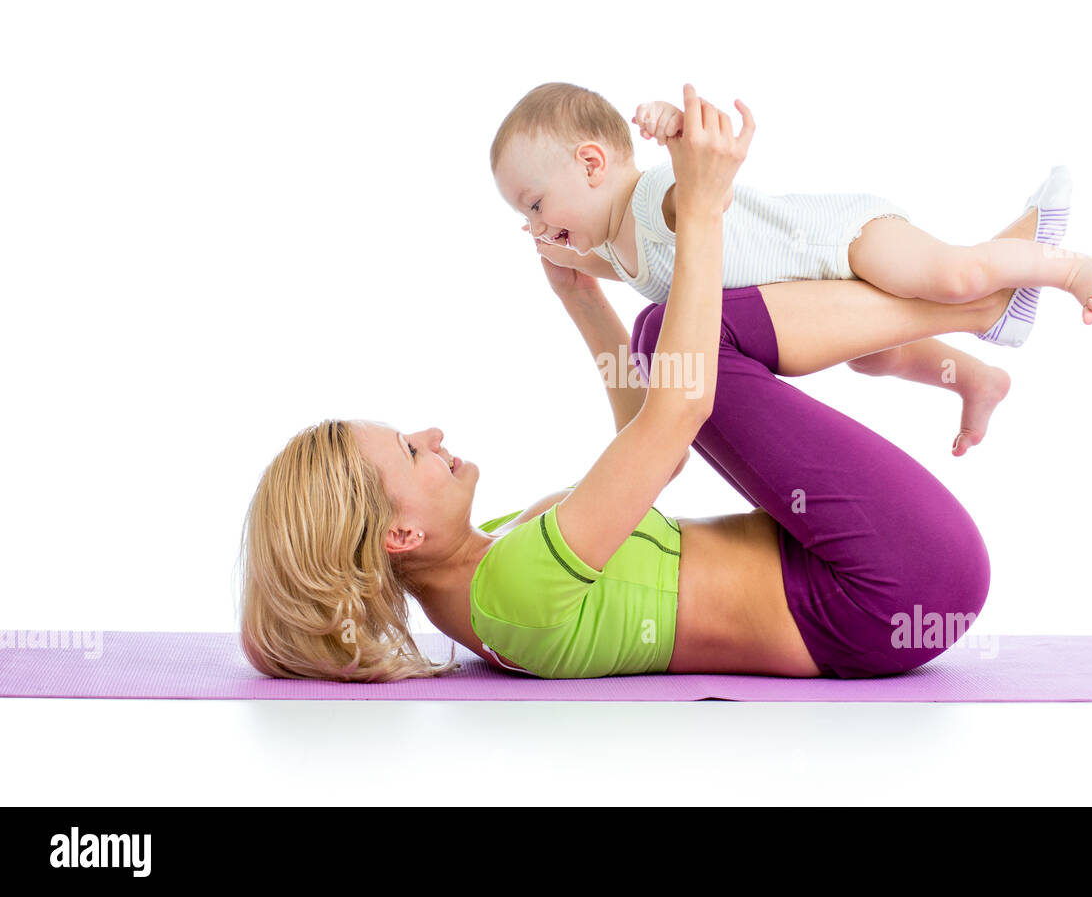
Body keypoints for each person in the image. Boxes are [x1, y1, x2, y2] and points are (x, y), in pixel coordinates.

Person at [239, 86, 1028, 683]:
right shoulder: (508, 592)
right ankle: (966, 303)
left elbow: (651, 457)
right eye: (411, 451)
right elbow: (677, 413)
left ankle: (964, 303)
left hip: (873, 584)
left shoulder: (496, 563)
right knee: (677, 347)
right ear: (398, 535)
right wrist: (707, 208)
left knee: (664, 346)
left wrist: (581, 298)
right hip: (890, 589)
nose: (434, 436)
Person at [491, 82, 1092, 455]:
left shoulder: (656, 197)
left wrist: (675, 126)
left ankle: (1067, 265)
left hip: (839, 240)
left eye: (537, 204)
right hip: (815, 293)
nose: (537, 223)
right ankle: (975, 377)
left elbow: (701, 184)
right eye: (527, 217)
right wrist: (556, 247)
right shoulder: (617, 248)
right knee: (877, 356)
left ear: (594, 164)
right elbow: (595, 261)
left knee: (955, 275)